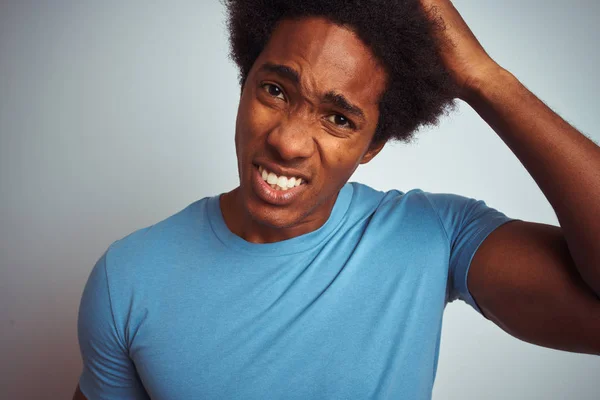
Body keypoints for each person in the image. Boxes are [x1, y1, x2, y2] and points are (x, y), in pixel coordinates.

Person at [73, 0, 600, 399]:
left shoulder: (435, 235)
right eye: (275, 90)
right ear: (243, 83)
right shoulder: (128, 279)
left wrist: (487, 80)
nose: (288, 140)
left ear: (372, 146)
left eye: (339, 118)